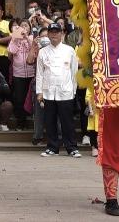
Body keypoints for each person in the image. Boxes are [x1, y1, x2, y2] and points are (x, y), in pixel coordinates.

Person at [35, 21, 79, 157]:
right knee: (50, 121)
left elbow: (74, 72)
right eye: (51, 32)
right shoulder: (43, 52)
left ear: (62, 34)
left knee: (67, 121)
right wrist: (39, 92)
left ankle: (72, 147)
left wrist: (73, 90)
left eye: (57, 32)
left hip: (65, 91)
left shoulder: (69, 50)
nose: (54, 35)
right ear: (48, 34)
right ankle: (52, 147)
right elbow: (40, 73)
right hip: (48, 92)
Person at [7, 20, 36, 132]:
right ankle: (20, 123)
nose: (24, 27)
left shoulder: (33, 38)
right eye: (22, 26)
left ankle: (33, 122)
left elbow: (33, 50)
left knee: (32, 99)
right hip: (18, 74)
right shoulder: (15, 39)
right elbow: (11, 51)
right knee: (19, 99)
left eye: (26, 26)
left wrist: (27, 38)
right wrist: (16, 38)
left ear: (29, 28)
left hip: (31, 73)